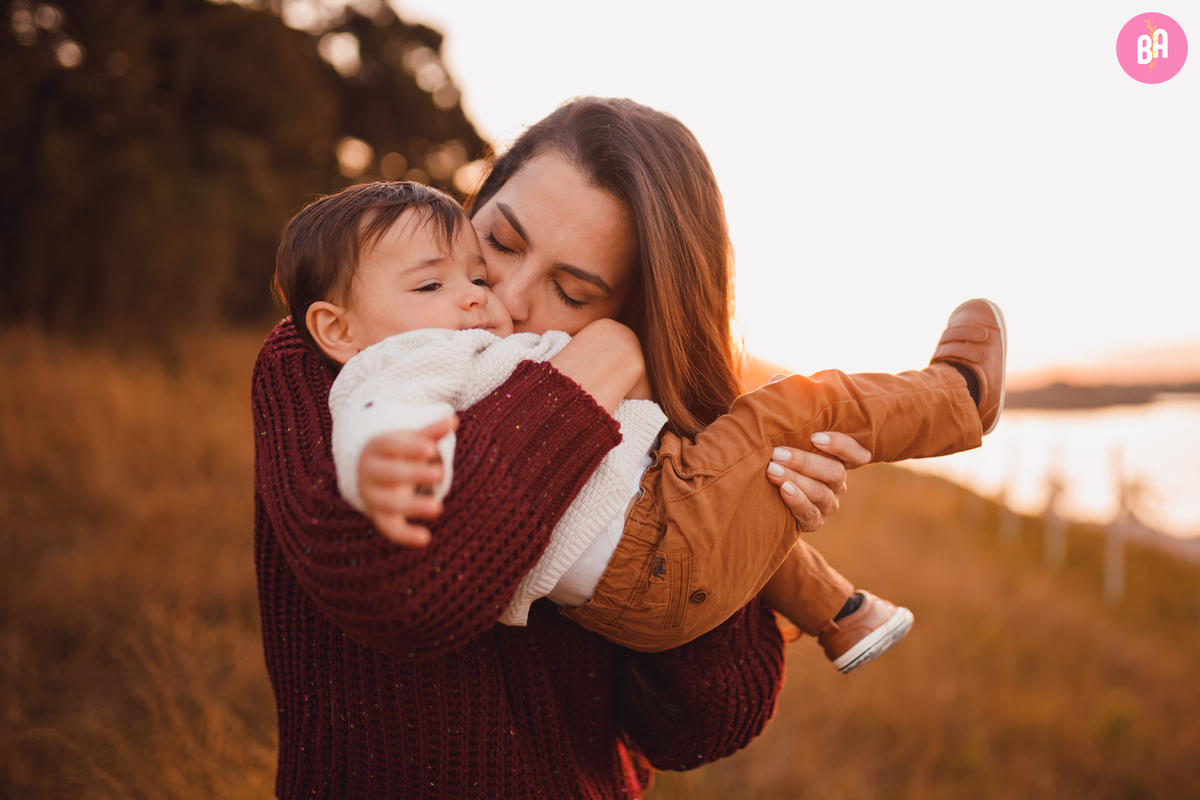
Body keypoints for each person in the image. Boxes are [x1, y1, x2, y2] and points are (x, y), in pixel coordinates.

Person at [249, 96, 984, 798]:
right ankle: (956, 397)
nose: (506, 299)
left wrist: (749, 533)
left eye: (572, 294)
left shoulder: (636, 418)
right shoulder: (333, 359)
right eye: (497, 243)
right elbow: (406, 594)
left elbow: (699, 730)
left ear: (635, 308)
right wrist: (591, 369)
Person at [275, 180, 1004, 675]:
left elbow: (702, 732)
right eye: (440, 280)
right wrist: (380, 465)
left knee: (759, 461)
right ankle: (957, 398)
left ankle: (844, 613)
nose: (487, 298)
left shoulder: (463, 342)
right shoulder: (394, 362)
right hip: (643, 562)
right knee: (799, 406)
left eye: (473, 275)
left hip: (644, 558)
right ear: (336, 328)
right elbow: (382, 415)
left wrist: (763, 512)